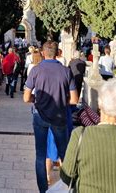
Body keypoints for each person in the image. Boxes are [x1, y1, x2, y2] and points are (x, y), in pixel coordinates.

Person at [23, 41, 79, 193]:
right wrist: (61, 99)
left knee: (41, 155)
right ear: (57, 53)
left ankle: (43, 189)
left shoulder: (36, 70)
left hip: (40, 115)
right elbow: (74, 100)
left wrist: (37, 100)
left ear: (42, 53)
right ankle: (66, 187)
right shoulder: (66, 71)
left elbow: (26, 97)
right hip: (59, 116)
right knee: (64, 154)